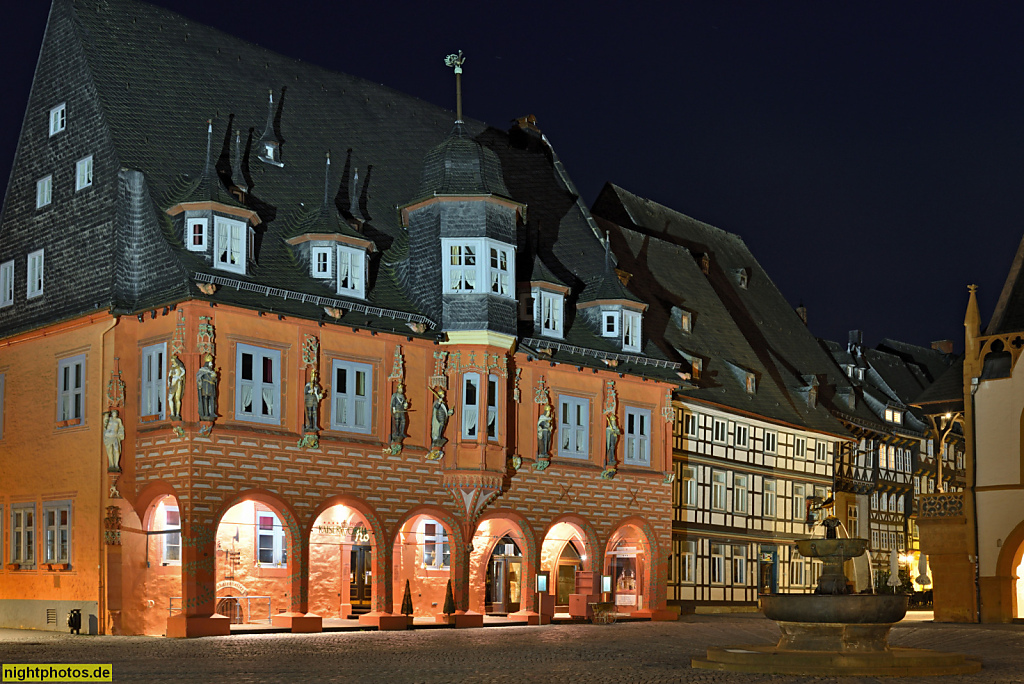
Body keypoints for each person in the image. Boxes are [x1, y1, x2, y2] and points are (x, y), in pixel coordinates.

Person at [196, 356, 218, 421]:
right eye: (210, 364)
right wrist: (200, 382)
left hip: (211, 386)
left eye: (212, 364)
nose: (211, 365)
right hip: (205, 386)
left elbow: (214, 379)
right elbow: (198, 376)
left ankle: (212, 412)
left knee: (212, 398)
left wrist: (214, 377)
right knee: (205, 398)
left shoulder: (212, 371)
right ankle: (206, 413)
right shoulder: (203, 370)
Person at [167, 356, 185, 420]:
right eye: (172, 361)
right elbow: (169, 375)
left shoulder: (179, 366)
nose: (173, 362)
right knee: (170, 398)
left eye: (173, 361)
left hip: (178, 382)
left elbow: (183, 372)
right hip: (172, 383)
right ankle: (172, 412)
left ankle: (177, 413)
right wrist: (169, 382)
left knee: (177, 398)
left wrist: (179, 377)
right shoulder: (172, 367)